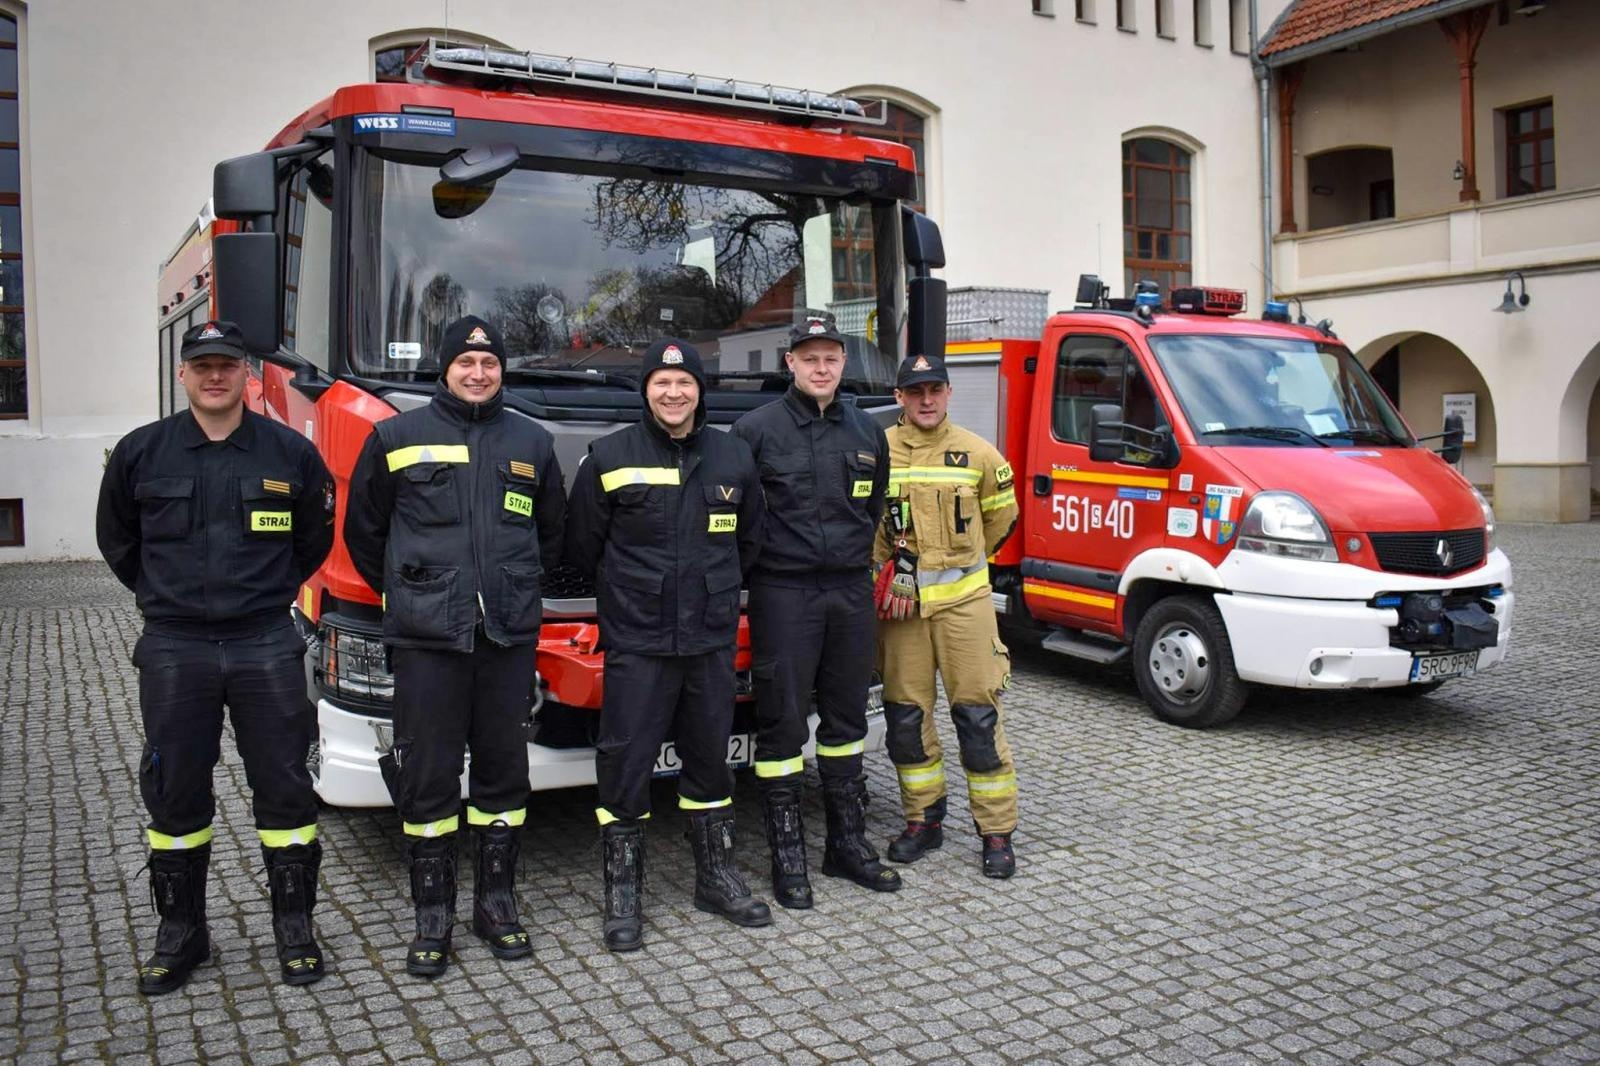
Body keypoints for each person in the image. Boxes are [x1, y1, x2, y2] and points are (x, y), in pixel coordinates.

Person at [96, 320, 335, 994]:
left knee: (285, 785)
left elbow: (313, 540)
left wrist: (265, 594)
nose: (215, 376)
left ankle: (295, 930)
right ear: (183, 376)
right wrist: (166, 597)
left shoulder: (290, 455)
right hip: (176, 646)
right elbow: (118, 540)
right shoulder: (142, 454)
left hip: (265, 641)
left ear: (248, 376)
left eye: (227, 365)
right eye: (202, 366)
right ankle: (182, 933)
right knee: (174, 790)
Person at [344, 315, 566, 978]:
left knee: (504, 772)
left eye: (490, 364)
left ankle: (495, 905)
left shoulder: (532, 441)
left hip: (505, 635)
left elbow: (550, 536)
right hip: (427, 639)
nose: (478, 373)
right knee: (429, 776)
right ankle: (432, 915)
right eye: (466, 364)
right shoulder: (395, 436)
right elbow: (366, 537)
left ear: (501, 370)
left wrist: (513, 585)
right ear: (444, 369)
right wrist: (418, 590)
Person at [565, 337, 768, 951]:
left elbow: (750, 542)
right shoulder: (609, 455)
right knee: (624, 764)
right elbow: (582, 548)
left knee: (711, 759)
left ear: (699, 390)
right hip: (638, 642)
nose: (673, 393)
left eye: (684, 383)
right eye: (661, 383)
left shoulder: (734, 456)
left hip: (707, 641)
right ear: (646, 390)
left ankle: (716, 876)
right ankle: (623, 893)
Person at [730, 317, 901, 909]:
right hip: (784, 593)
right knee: (780, 724)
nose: (822, 367)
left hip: (850, 592)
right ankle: (788, 856)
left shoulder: (866, 432)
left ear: (842, 364)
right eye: (810, 358)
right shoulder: (755, 431)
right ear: (790, 364)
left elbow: (874, 504)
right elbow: (742, 521)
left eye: (831, 357)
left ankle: (846, 845)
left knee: (846, 720)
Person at [874, 353, 1022, 879]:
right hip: (902, 614)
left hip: (965, 610)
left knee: (977, 720)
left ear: (948, 393)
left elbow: (1001, 522)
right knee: (906, 722)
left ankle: (997, 833)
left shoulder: (980, 454)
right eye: (915, 392)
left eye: (935, 389)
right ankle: (923, 821)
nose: (927, 400)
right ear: (899, 398)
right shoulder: (877, 452)